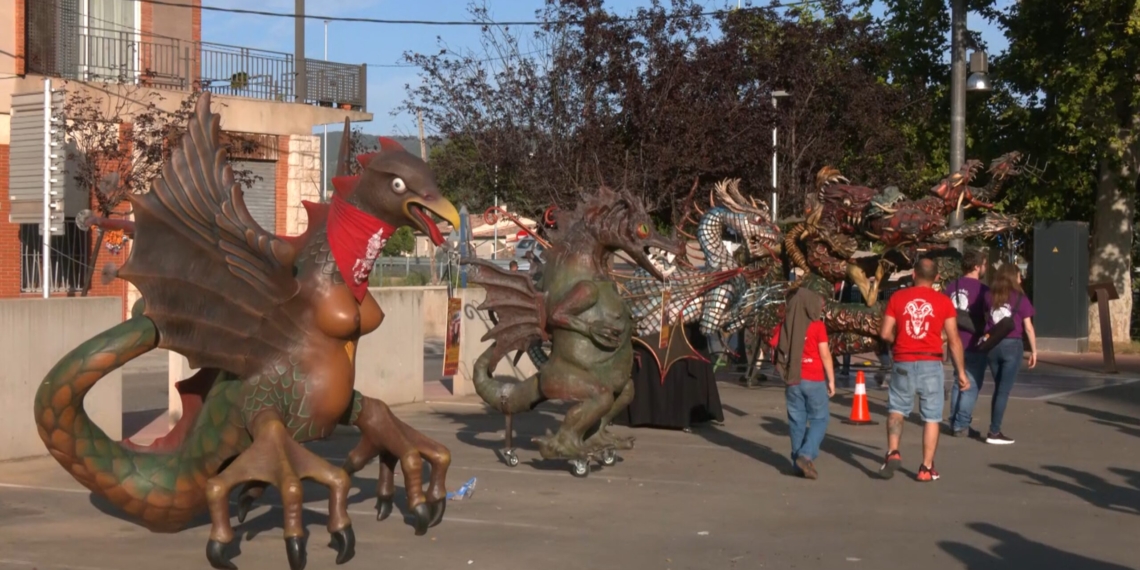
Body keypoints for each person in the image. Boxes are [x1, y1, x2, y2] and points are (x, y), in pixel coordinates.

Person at [878, 258, 969, 482]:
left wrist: (898, 340)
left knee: (897, 408)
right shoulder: (944, 302)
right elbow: (955, 339)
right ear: (937, 277)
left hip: (903, 360)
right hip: (931, 362)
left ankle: (893, 451)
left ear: (913, 274)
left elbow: (884, 333)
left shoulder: (897, 298)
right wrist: (962, 373)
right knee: (931, 416)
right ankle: (926, 468)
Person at [773, 286, 834, 479]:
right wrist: (831, 379)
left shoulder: (787, 324)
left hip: (793, 380)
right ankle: (806, 455)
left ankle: (796, 463)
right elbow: (825, 354)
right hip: (813, 379)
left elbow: (776, 346)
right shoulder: (817, 326)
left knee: (796, 422)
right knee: (819, 419)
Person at [980, 263, 1037, 445]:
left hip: (992, 344)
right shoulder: (1020, 297)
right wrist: (1034, 350)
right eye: (1019, 275)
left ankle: (994, 428)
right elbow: (1028, 327)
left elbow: (984, 317)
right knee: (1003, 390)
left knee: (999, 388)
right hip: (1012, 344)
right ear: (1014, 277)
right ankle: (994, 431)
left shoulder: (989, 295)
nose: (1021, 278)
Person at [945, 249, 990, 438]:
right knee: (970, 383)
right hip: (974, 341)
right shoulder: (983, 290)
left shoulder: (951, 286)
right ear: (977, 266)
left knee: (958, 380)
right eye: (984, 265)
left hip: (955, 340)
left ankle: (954, 420)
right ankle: (961, 424)